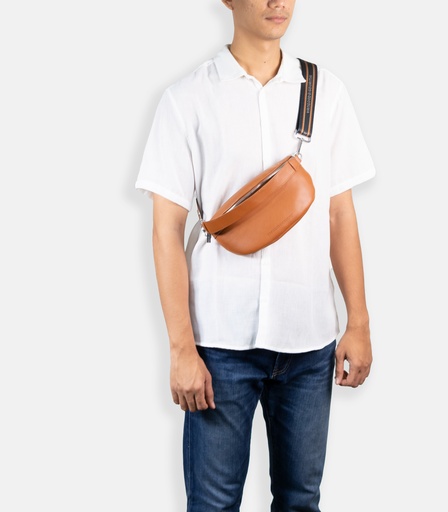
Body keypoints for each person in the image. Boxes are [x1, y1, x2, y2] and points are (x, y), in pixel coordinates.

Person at [136, 1, 376, 510]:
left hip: (309, 341)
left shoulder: (325, 92)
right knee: (213, 504)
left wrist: (359, 322)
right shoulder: (187, 99)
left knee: (300, 501)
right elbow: (166, 230)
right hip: (219, 344)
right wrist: (181, 350)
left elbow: (339, 215)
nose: (277, 2)